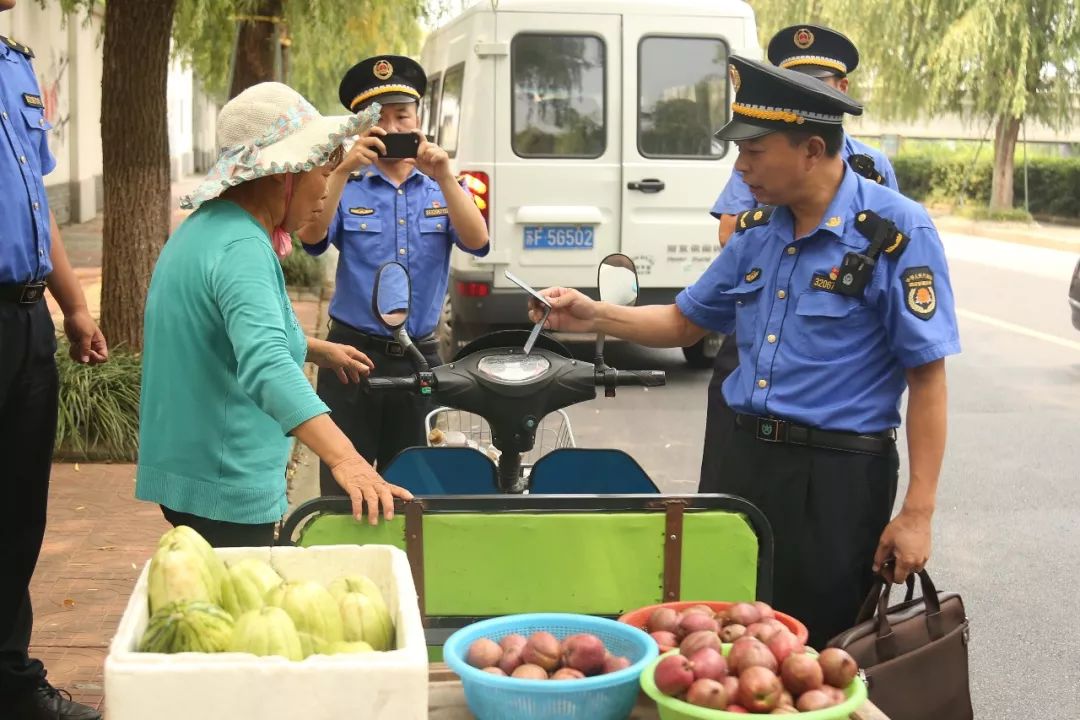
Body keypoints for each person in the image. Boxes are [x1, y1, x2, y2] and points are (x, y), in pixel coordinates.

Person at [530, 56, 960, 647]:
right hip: (741, 467)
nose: (742, 166)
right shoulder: (758, 231)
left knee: (817, 651)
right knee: (724, 637)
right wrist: (592, 311)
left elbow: (928, 381)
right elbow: (684, 322)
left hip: (833, 481)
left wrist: (918, 513)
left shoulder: (896, 233)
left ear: (811, 149)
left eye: (755, 151)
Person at [136, 82, 413, 549]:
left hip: (189, 469)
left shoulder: (206, 229)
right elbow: (265, 364)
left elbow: (223, 330)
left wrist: (315, 349)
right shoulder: (244, 248)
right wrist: (347, 460)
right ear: (280, 174)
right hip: (225, 480)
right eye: (320, 172)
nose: (326, 191)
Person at [701, 24, 902, 495]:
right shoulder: (766, 156)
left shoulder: (872, 168)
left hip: (831, 347)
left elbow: (885, 248)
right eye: (796, 83)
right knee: (728, 485)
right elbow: (732, 229)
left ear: (841, 90)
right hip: (761, 315)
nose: (805, 93)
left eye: (818, 83)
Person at [297, 55, 489, 495]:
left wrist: (445, 177)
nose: (393, 128)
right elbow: (311, 238)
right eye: (379, 120)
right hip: (351, 361)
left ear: (419, 118)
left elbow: (477, 241)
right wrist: (343, 168)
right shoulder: (350, 184)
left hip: (420, 360)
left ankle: (405, 565)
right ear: (362, 129)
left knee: (416, 489)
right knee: (346, 492)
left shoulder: (441, 184)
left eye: (402, 116)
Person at [1, 10, 109, 719]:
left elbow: (36, 201)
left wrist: (73, 306)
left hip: (27, 316)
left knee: (17, 509)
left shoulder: (15, 64)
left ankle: (10, 681)